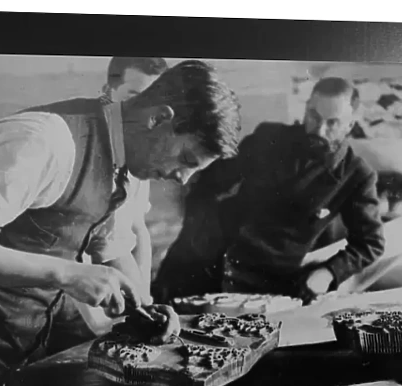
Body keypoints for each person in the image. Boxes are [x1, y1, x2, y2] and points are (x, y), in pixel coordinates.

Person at [0, 59, 241, 386]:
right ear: (158, 118)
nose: (182, 179)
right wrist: (68, 274)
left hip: (32, 345)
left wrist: (143, 306)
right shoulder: (43, 140)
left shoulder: (125, 158)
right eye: (186, 159)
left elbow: (109, 245)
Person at [154, 77, 385, 305]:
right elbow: (210, 181)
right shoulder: (269, 138)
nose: (320, 130)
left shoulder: (357, 175)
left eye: (332, 123)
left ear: (350, 125)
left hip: (263, 282)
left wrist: (329, 273)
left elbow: (370, 243)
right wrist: (196, 231)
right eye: (314, 116)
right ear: (306, 109)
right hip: (203, 259)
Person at [100, 57, 169, 297]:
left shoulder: (140, 148)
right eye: (133, 97)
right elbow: (105, 248)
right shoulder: (96, 148)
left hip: (120, 279)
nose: (143, 111)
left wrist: (146, 294)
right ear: (109, 92)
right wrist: (140, 303)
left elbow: (138, 227)